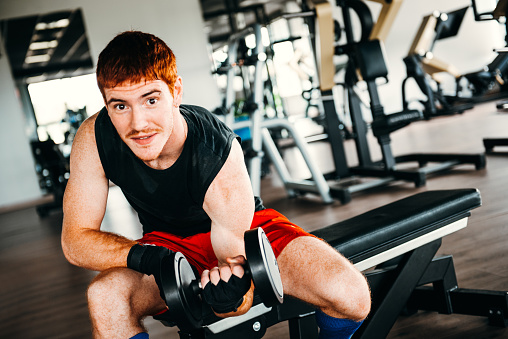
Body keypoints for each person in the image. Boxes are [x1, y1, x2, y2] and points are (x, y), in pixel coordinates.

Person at [61, 31, 371, 339]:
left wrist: (230, 295)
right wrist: (147, 257)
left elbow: (239, 302)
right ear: (105, 103)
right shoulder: (94, 138)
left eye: (151, 99)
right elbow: (75, 242)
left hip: (244, 232)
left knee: (350, 293)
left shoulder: (214, 151)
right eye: (120, 106)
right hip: (165, 246)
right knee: (105, 297)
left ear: (176, 91)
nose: (138, 123)